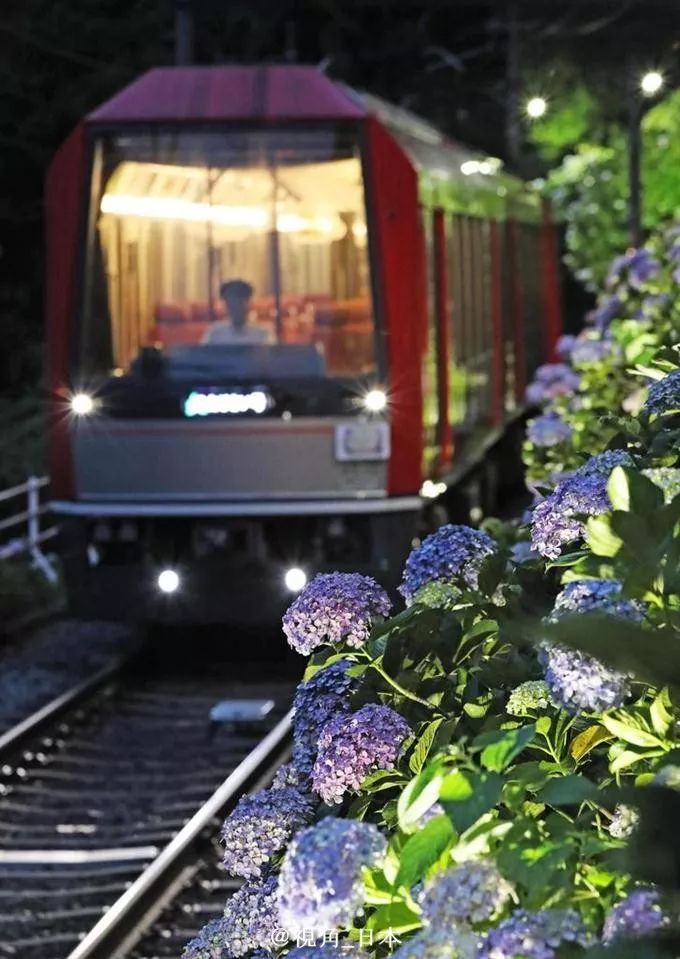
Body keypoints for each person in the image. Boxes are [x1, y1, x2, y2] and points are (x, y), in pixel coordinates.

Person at [201, 279, 273, 345]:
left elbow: (270, 357)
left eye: (240, 301)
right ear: (226, 304)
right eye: (231, 302)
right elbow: (202, 356)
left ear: (248, 302)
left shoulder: (263, 332)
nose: (236, 306)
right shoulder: (215, 332)